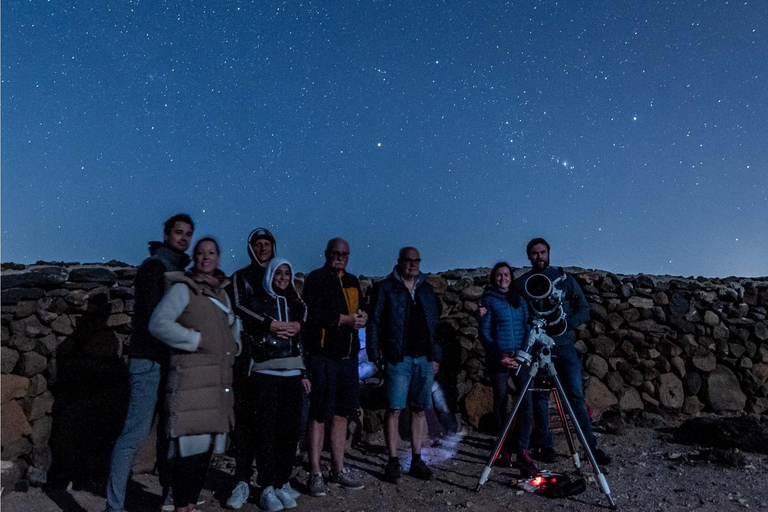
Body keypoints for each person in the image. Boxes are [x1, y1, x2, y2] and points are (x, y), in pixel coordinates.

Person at [103, 213, 193, 512]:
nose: (183, 238)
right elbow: (156, 319)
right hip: (149, 360)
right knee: (135, 432)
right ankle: (114, 506)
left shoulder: (179, 270)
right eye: (178, 232)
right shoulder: (154, 268)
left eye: (187, 233)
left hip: (169, 360)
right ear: (167, 235)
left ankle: (171, 496)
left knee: (171, 431)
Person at [148, 237, 240, 512]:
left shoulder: (221, 293)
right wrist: (192, 340)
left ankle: (187, 505)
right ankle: (181, 506)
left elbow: (232, 324)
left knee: (201, 458)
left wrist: (234, 345)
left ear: (218, 257)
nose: (205, 257)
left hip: (214, 387)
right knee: (188, 455)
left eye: (211, 252)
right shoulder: (182, 289)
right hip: (192, 387)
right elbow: (159, 323)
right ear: (195, 257)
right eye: (200, 253)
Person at [515, 238, 611, 465]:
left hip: (564, 345)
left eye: (542, 252)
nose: (539, 257)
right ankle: (544, 446)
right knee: (540, 396)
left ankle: (590, 447)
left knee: (575, 396)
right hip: (540, 346)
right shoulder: (522, 284)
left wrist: (567, 324)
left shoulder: (564, 279)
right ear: (529, 257)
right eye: (534, 253)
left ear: (549, 252)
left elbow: (584, 308)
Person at [367, 247, 442, 483]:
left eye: (416, 261)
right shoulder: (385, 288)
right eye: (408, 261)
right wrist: (376, 357)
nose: (412, 265)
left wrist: (435, 356)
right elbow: (374, 323)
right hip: (397, 359)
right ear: (399, 262)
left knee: (419, 409)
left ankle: (417, 460)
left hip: (424, 358)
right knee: (394, 409)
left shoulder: (427, 289)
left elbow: (435, 325)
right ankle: (392, 461)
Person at [302, 238, 368, 496]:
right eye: (335, 253)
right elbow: (312, 314)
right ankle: (315, 471)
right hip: (323, 357)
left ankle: (338, 468)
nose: (339, 257)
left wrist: (363, 317)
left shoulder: (352, 281)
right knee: (319, 413)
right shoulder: (316, 279)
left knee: (341, 414)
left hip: (347, 359)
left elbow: (362, 308)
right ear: (327, 254)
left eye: (344, 254)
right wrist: (343, 320)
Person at [245, 257, 310, 511]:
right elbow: (249, 331)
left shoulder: (297, 305)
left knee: (289, 432)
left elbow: (302, 342)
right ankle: (266, 486)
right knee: (266, 432)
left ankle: (282, 481)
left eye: (287, 273)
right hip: (266, 371)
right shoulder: (258, 303)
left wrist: (304, 372)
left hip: (292, 375)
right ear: (270, 275)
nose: (283, 277)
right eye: (278, 273)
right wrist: (268, 329)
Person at [225, 228, 283, 509]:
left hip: (275, 363)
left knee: (270, 425)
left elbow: (294, 308)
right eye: (258, 244)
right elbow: (236, 306)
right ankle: (242, 480)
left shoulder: (279, 277)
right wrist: (266, 324)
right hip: (247, 359)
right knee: (245, 423)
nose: (262, 248)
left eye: (267, 244)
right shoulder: (241, 278)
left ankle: (269, 484)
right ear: (251, 248)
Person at [479, 262, 543, 475]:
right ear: (493, 277)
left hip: (521, 358)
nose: (503, 278)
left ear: (511, 277)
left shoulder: (520, 300)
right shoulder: (488, 300)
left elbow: (527, 327)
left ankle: (522, 448)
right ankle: (503, 448)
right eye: (498, 275)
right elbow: (485, 332)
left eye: (506, 274)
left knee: (526, 402)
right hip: (500, 358)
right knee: (501, 401)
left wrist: (524, 353)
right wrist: (499, 357)